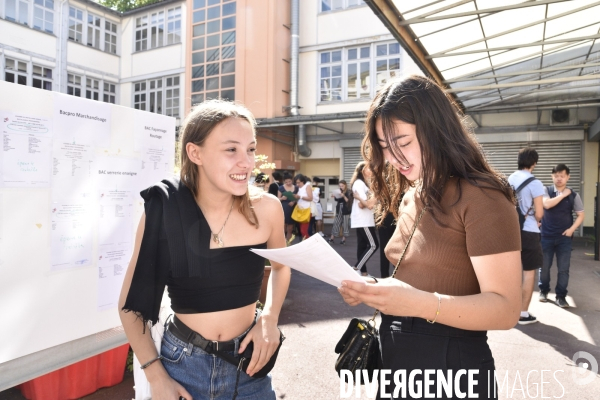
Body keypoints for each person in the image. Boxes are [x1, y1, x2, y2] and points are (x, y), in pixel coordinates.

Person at [338, 76, 521, 398]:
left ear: (438, 129)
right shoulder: (413, 193)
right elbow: (418, 277)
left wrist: (418, 303)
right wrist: (375, 292)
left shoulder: (483, 196)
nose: (394, 158)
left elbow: (506, 309)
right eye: (384, 147)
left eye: (403, 142)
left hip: (451, 363)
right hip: (395, 354)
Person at [119, 99, 291, 400]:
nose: (247, 162)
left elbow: (281, 266)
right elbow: (129, 306)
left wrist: (270, 318)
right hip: (181, 366)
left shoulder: (267, 209)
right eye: (231, 149)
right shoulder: (165, 208)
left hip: (248, 365)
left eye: (250, 149)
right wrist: (155, 375)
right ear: (195, 152)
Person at [539, 163, 584, 308]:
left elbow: (581, 215)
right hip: (546, 236)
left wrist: (572, 229)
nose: (559, 179)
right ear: (552, 176)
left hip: (564, 238)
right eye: (556, 175)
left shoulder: (574, 195)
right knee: (544, 267)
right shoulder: (546, 190)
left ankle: (561, 296)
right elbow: (546, 205)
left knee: (563, 269)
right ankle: (544, 291)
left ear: (568, 177)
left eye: (562, 176)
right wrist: (563, 194)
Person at [508, 148, 545, 325]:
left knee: (512, 272)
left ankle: (509, 309)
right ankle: (523, 314)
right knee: (528, 272)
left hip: (511, 230)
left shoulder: (510, 178)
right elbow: (539, 213)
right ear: (534, 163)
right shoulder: (535, 183)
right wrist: (537, 219)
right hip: (529, 231)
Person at [350, 162, 379, 276]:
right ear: (363, 171)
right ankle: (356, 267)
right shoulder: (359, 183)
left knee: (362, 246)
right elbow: (363, 205)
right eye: (369, 169)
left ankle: (364, 273)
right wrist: (373, 198)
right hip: (363, 219)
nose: (372, 171)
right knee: (373, 245)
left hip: (363, 219)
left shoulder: (363, 184)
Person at [327, 180, 352, 245]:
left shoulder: (348, 192)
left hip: (346, 209)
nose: (341, 187)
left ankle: (343, 239)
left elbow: (348, 201)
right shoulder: (339, 191)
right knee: (336, 222)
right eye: (340, 186)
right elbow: (337, 200)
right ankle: (332, 238)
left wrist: (343, 196)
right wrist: (335, 195)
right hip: (339, 208)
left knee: (345, 224)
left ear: (345, 185)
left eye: (342, 186)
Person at [278, 173, 298, 245]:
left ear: (292, 180)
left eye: (289, 181)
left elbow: (298, 197)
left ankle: (289, 243)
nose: (288, 183)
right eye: (286, 182)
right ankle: (282, 243)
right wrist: (282, 198)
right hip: (284, 207)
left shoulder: (296, 187)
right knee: (283, 227)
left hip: (293, 208)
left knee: (290, 228)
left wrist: (294, 201)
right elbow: (278, 199)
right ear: (284, 181)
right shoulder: (281, 188)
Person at [293, 173, 313, 240]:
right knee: (301, 231)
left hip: (306, 210)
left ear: (303, 181)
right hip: (300, 210)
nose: (297, 184)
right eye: (296, 183)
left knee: (303, 230)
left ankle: (309, 244)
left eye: (299, 182)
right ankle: (305, 244)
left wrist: (300, 196)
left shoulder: (307, 186)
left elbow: (310, 198)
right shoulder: (298, 188)